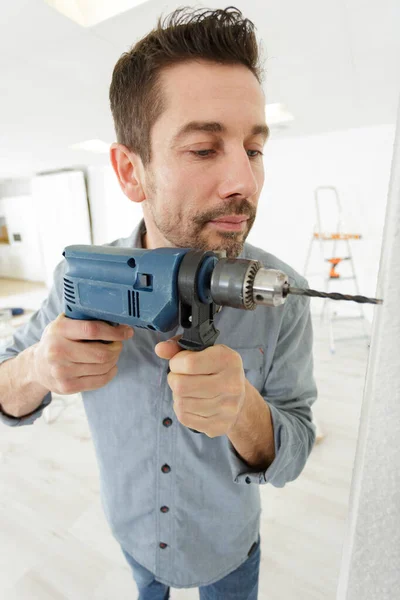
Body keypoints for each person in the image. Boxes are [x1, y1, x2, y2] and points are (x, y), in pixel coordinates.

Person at [0, 6, 318, 599]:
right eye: (203, 149)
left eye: (253, 149)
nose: (244, 183)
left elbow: (295, 447)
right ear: (129, 171)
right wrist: (37, 367)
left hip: (229, 546)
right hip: (135, 535)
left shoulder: (282, 293)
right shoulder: (79, 276)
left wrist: (244, 410)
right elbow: (3, 387)